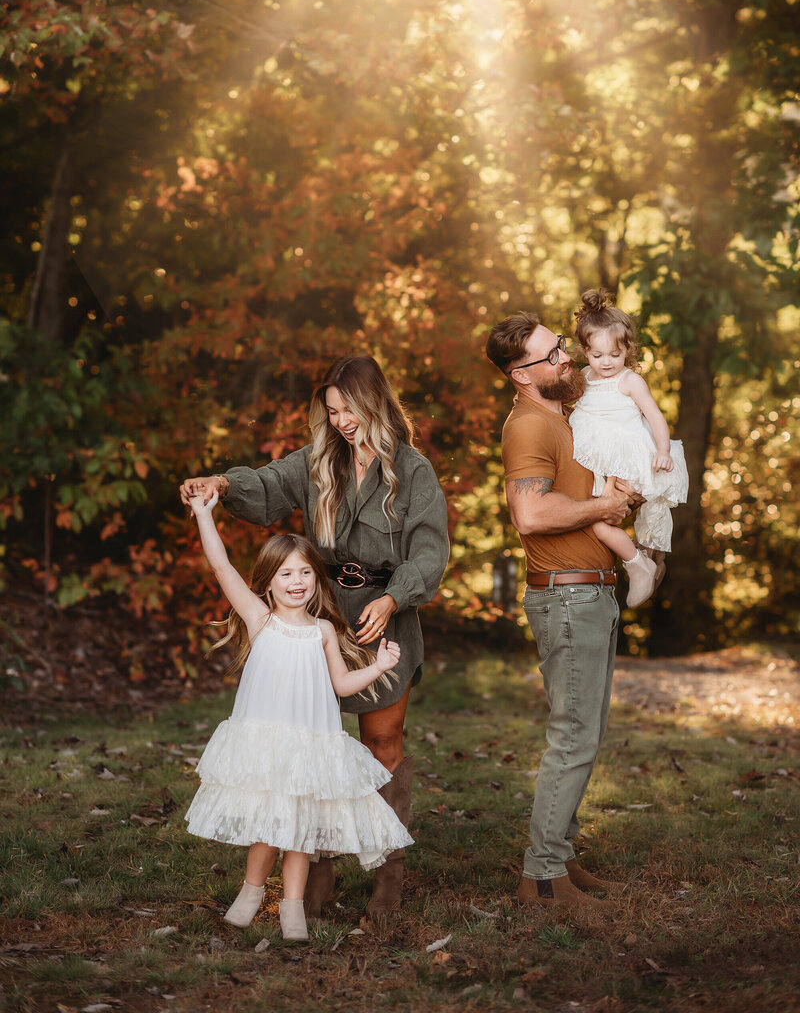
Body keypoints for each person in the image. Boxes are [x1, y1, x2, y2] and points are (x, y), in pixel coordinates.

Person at [179, 354, 449, 917]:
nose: (342, 420)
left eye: (350, 408)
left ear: (376, 402)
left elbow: (429, 550)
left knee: (382, 745)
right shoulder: (319, 460)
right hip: (323, 612)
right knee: (313, 745)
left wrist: (394, 596)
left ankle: (386, 877)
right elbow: (270, 482)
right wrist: (223, 483)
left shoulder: (413, 470)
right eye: (332, 411)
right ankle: (315, 879)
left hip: (383, 613)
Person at [183, 494, 413, 943]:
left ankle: (293, 910)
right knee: (269, 825)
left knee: (300, 833)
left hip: (312, 746)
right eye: (286, 573)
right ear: (268, 582)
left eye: (306, 572)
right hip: (268, 745)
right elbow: (222, 567)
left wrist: (380, 667)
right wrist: (206, 516)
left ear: (317, 578)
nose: (298, 581)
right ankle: (251, 894)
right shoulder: (260, 619)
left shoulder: (324, 630)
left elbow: (342, 685)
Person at [485, 311, 637, 912]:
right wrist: (602, 504)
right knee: (572, 735)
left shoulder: (565, 417)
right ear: (521, 375)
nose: (566, 359)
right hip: (567, 596)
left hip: (592, 591)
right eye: (552, 356)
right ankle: (542, 877)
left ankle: (562, 858)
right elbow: (530, 516)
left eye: (562, 348)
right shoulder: (527, 426)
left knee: (587, 732)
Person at [569, 290, 689, 606]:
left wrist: (663, 450)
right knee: (600, 521)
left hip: (631, 461)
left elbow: (655, 416)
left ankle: (643, 563)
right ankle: (644, 564)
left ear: (628, 350)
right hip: (602, 465)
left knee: (624, 518)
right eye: (598, 355)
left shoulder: (629, 381)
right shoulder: (583, 377)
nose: (606, 362)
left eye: (615, 354)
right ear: (585, 351)